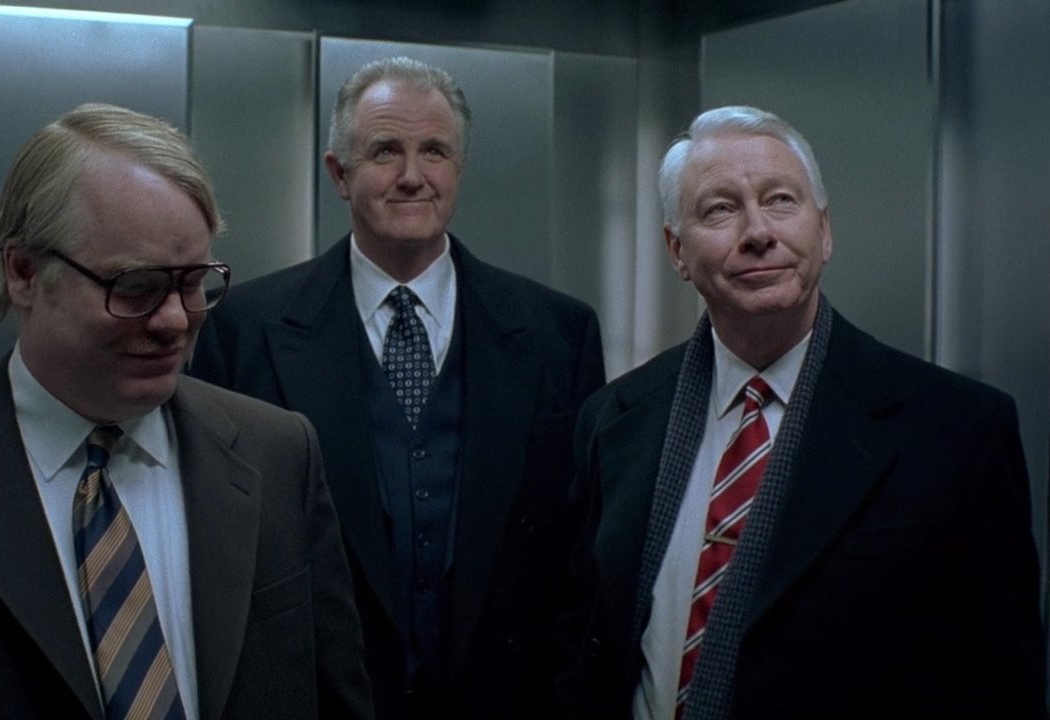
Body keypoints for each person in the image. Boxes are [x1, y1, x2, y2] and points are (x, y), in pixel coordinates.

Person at [0, 102, 373, 720]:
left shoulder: (277, 455)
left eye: (193, 283)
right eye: (135, 287)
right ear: (24, 273)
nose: (173, 319)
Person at [568, 105, 1045, 719]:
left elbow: (1004, 688)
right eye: (720, 209)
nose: (758, 231)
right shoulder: (614, 419)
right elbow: (580, 649)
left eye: (781, 200)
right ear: (677, 250)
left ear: (824, 231)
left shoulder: (958, 432)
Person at [191, 57, 605, 718]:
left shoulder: (559, 332)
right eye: (386, 151)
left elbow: (577, 560)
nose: (413, 175)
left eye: (434, 151)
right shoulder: (242, 330)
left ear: (459, 168)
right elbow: (215, 555)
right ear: (339, 173)